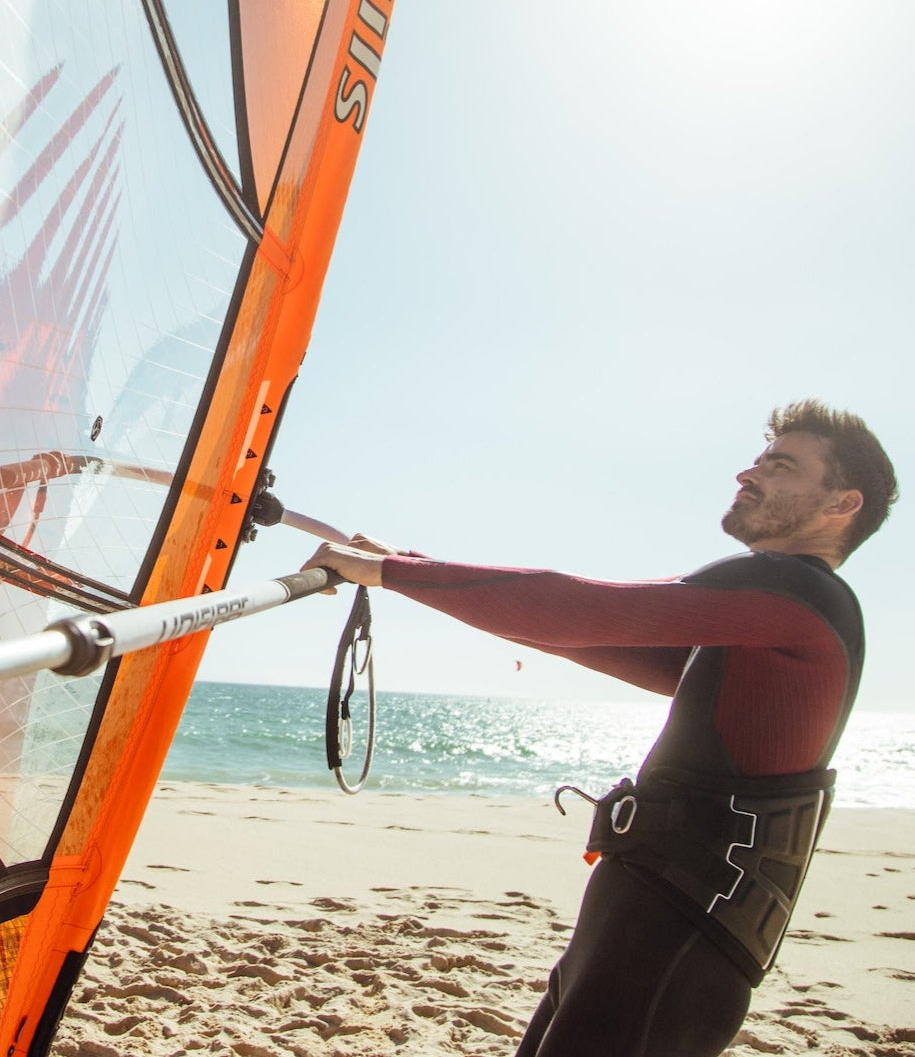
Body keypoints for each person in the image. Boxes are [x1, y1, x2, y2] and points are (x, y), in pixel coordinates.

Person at [302, 401, 897, 1057]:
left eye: (779, 467)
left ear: (842, 504)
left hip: (681, 927)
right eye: (757, 460)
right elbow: (579, 629)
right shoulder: (772, 606)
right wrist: (407, 571)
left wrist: (394, 572)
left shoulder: (793, 589)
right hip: (650, 907)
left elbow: (580, 610)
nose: (746, 474)